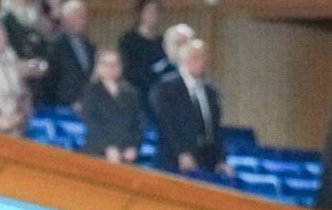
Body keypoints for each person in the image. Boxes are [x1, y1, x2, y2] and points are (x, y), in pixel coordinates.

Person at [150, 35, 225, 174]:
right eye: (195, 57)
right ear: (184, 60)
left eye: (203, 57)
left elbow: (214, 129)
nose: (201, 62)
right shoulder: (166, 87)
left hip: (206, 161)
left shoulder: (211, 92)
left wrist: (221, 160)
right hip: (174, 162)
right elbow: (167, 125)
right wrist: (181, 153)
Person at [77, 47, 146, 162]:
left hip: (126, 154)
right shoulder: (90, 91)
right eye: (106, 64)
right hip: (97, 152)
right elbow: (92, 123)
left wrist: (134, 146)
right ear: (98, 67)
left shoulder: (131, 93)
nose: (111, 68)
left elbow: (139, 123)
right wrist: (107, 147)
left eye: (115, 64)